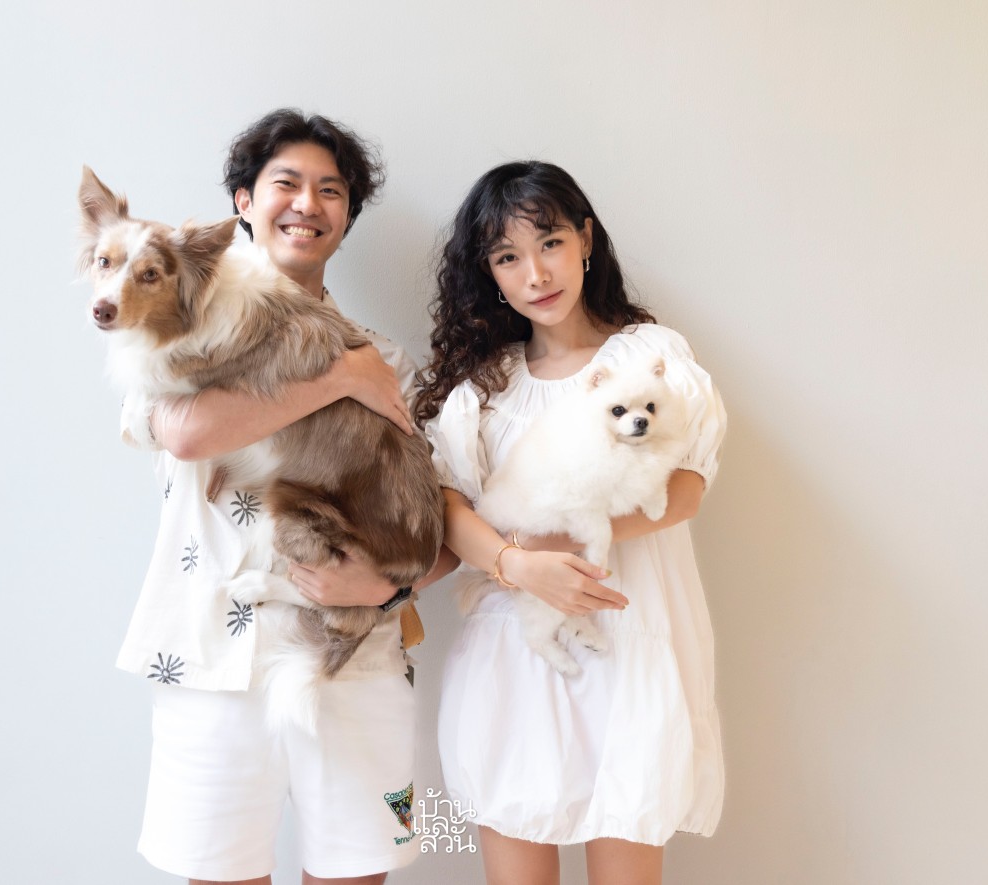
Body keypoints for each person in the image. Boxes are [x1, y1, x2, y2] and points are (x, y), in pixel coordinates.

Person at [115, 108, 455, 885]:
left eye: (331, 190)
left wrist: (388, 587)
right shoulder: (174, 325)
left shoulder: (388, 359)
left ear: (347, 215)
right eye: (287, 183)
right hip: (210, 661)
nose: (308, 204)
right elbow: (186, 432)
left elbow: (437, 523)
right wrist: (338, 377)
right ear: (244, 200)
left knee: (357, 873)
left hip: (356, 662)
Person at [415, 161, 726, 885]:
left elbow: (685, 490)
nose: (536, 274)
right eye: (508, 257)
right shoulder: (483, 387)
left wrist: (554, 541)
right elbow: (450, 508)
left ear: (586, 239)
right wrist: (519, 565)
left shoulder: (649, 359)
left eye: (550, 242)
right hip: (513, 655)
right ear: (489, 274)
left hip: (628, 645)